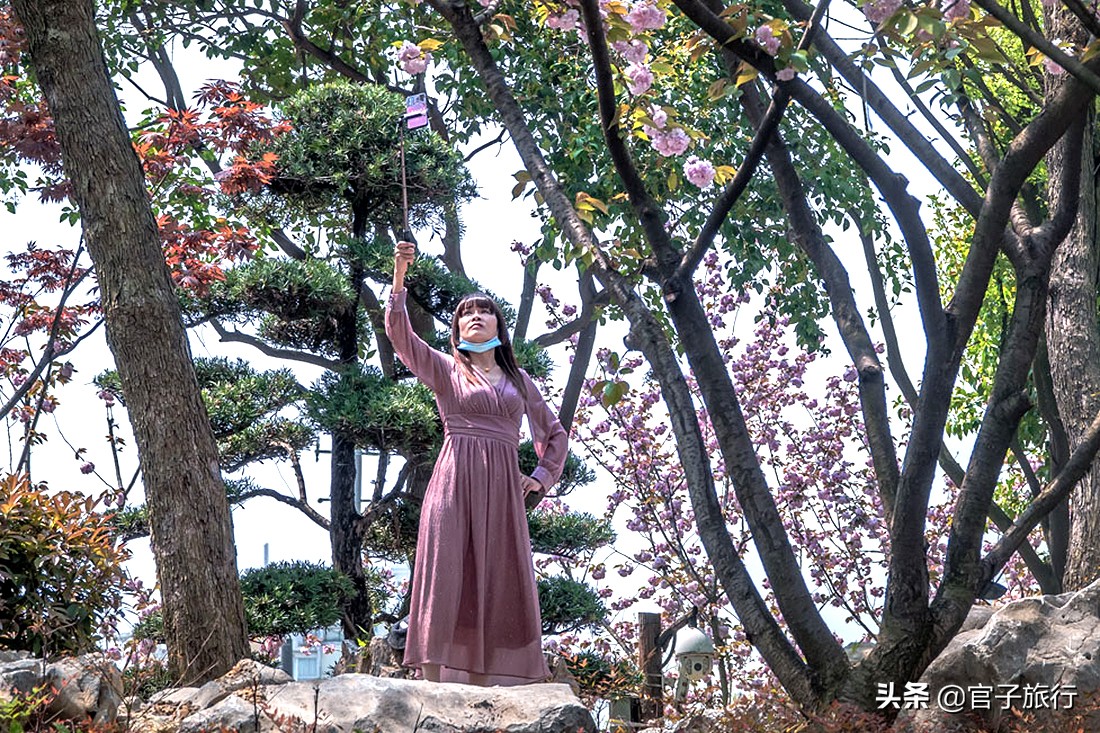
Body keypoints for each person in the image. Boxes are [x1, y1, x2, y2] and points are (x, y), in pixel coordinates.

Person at [385, 240, 569, 686]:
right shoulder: (447, 370)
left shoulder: (520, 381)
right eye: (466, 313)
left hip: (502, 490)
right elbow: (401, 338)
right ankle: (432, 683)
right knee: (444, 571)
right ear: (458, 330)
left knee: (499, 576)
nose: (475, 316)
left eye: (484, 311)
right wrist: (399, 274)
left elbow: (554, 433)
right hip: (453, 482)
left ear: (498, 326)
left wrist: (541, 477)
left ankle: (488, 686)